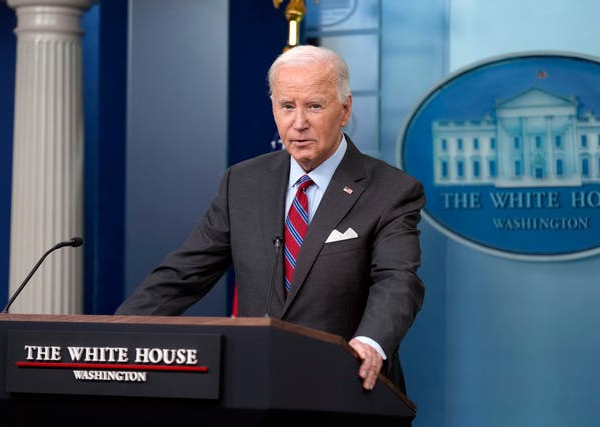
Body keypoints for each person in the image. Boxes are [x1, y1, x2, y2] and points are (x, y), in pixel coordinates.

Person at [115, 45, 425, 398]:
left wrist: (370, 343)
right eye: (287, 106)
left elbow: (398, 280)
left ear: (345, 109)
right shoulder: (243, 182)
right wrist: (115, 333)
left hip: (348, 389)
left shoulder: (392, 190)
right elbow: (183, 274)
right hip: (257, 390)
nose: (299, 123)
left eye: (314, 106)